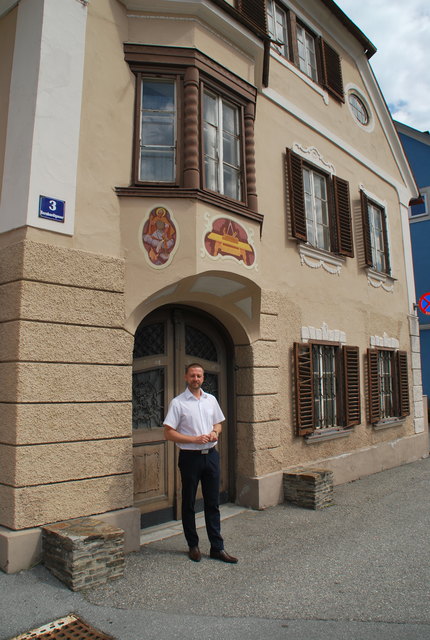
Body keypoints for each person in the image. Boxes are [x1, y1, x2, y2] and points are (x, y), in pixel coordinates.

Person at [163, 363, 238, 563]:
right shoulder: (178, 403)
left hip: (211, 456)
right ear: (186, 377)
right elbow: (168, 432)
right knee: (188, 503)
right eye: (192, 376)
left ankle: (217, 547)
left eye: (199, 376)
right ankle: (193, 545)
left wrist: (215, 432)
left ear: (203, 378)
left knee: (212, 503)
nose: (196, 379)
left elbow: (218, 423)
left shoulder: (210, 400)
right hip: (190, 458)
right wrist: (193, 440)